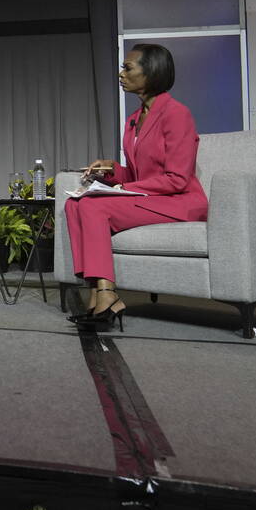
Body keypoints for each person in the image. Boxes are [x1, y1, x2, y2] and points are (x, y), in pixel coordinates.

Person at [67, 44, 208, 330]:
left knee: (95, 206)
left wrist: (120, 191)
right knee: (74, 204)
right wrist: (111, 171)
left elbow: (177, 179)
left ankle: (107, 294)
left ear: (152, 72)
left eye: (128, 68)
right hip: (152, 197)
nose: (121, 74)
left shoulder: (176, 114)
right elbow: (135, 174)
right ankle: (96, 291)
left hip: (179, 200)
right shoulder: (133, 120)